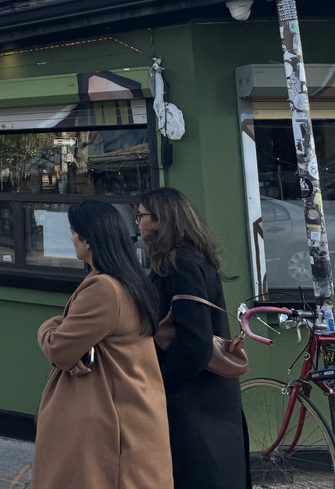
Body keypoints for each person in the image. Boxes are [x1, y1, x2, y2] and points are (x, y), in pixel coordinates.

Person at [33, 200, 171, 489]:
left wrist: (48, 326)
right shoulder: (129, 280)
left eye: (73, 232)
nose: (71, 239)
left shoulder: (103, 288)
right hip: (134, 412)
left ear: (88, 240)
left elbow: (59, 348)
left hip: (110, 423)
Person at [137, 187, 250, 489]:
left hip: (194, 397)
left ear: (160, 220)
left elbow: (194, 339)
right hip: (209, 392)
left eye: (141, 215)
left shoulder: (179, 264)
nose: (137, 222)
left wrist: (163, 383)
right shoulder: (195, 257)